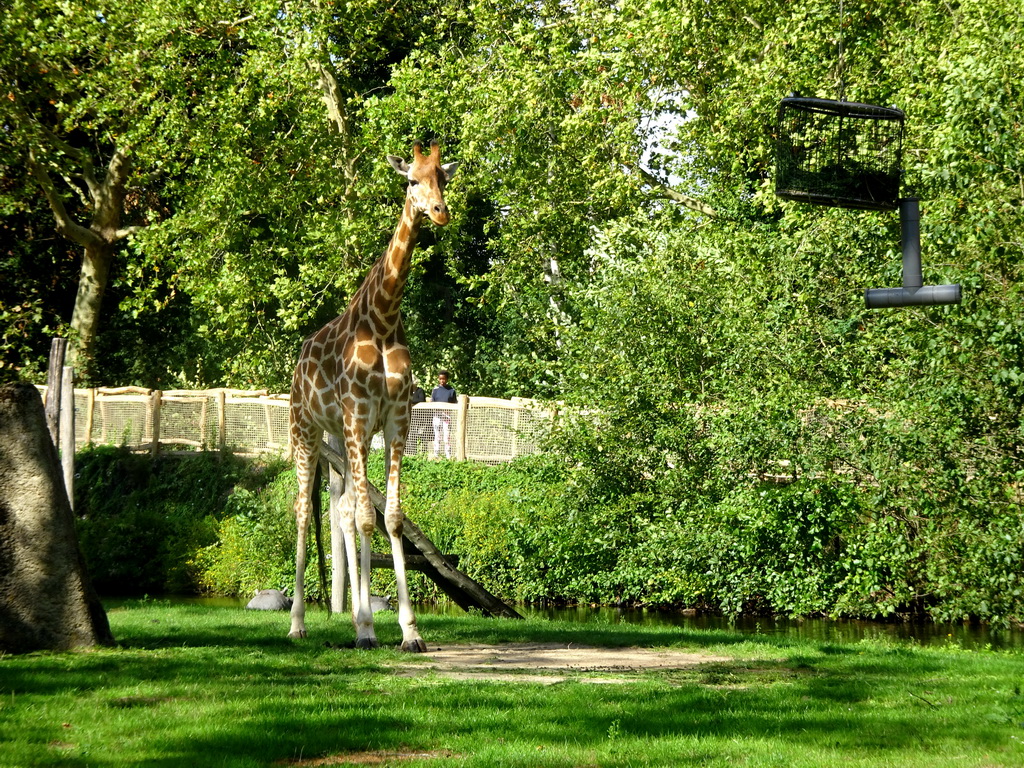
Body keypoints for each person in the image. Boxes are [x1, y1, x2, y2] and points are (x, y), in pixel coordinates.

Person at [430, 370, 457, 459]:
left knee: (447, 435)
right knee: (437, 435)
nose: (442, 381)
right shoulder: (435, 390)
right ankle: (436, 454)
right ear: (438, 379)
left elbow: (454, 403)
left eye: (444, 379)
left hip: (447, 415)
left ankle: (448, 455)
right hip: (437, 415)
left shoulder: (451, 390)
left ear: (447, 379)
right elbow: (432, 402)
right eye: (440, 379)